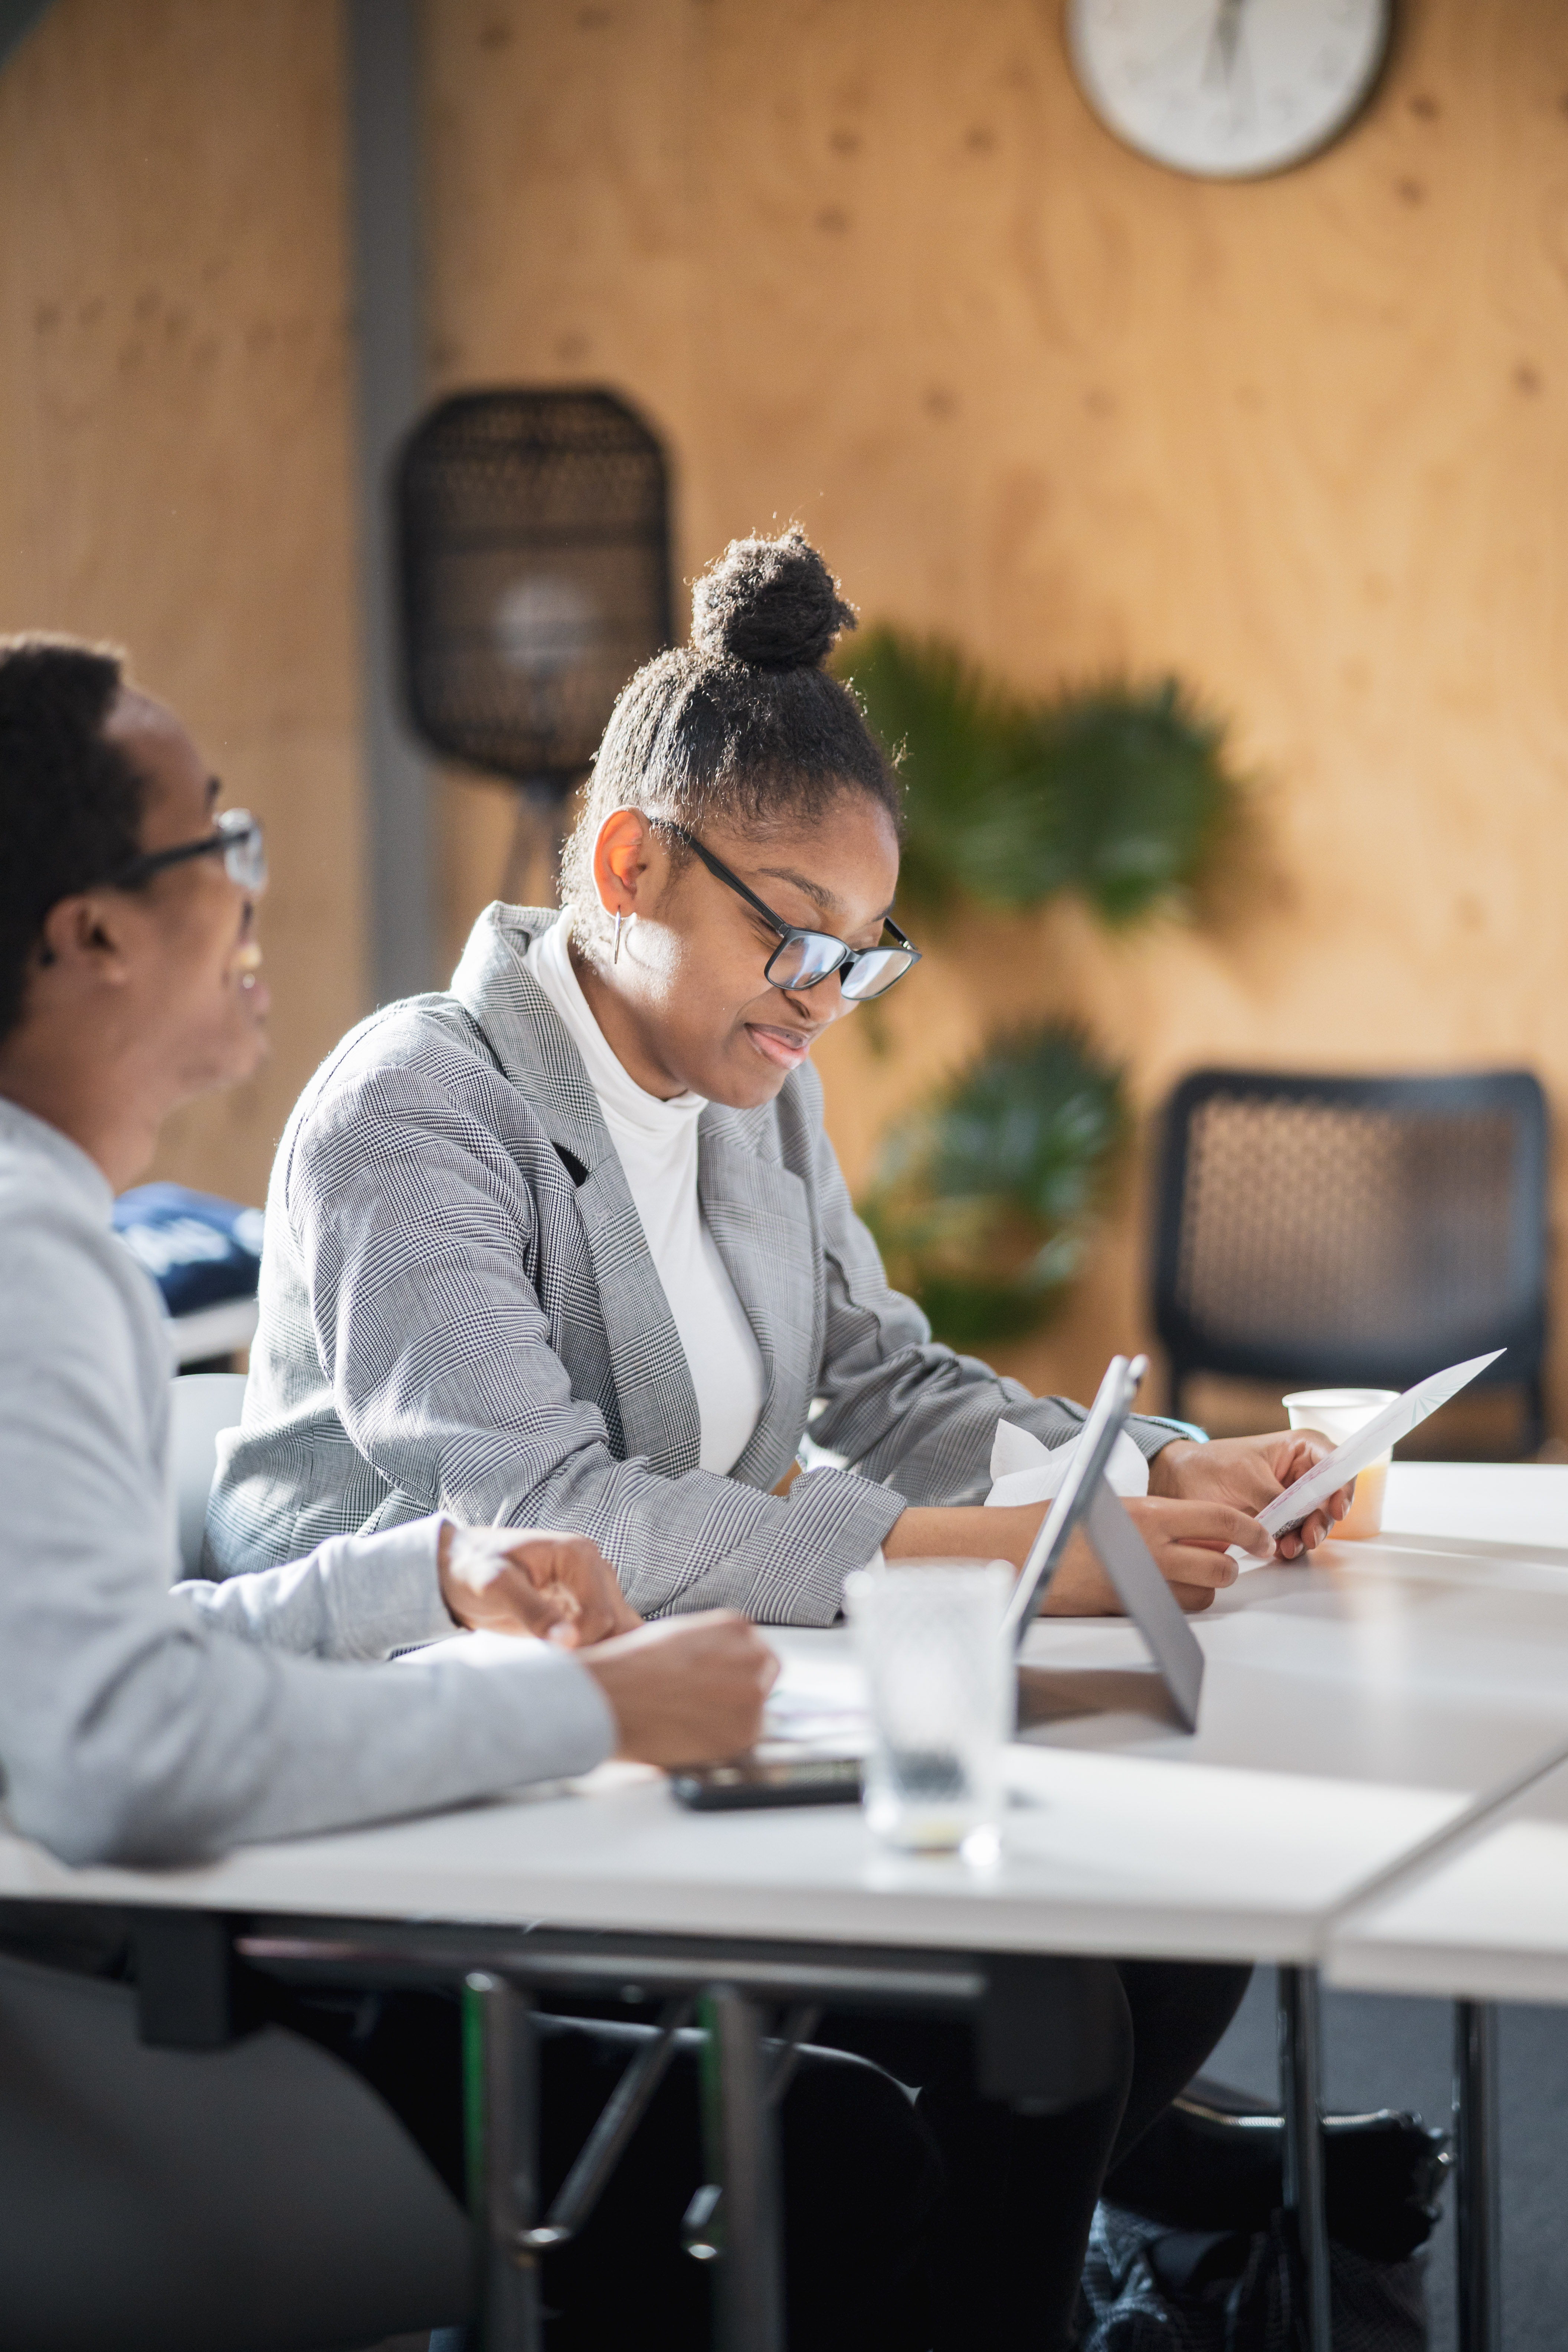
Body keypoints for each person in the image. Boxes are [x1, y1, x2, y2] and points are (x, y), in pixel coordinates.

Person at [203, 526, 1349, 2349]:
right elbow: (546, 1512)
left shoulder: (747, 1082)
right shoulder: (413, 1112)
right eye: (786, 931)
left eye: (857, 954)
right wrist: (980, 1559)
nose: (820, 991)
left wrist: (1136, 1476)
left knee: (1162, 1937)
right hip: (422, 1793)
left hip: (686, 1736)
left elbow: (881, 1374)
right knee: (1031, 2025)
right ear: (624, 859)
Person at [0, 633, 942, 2351]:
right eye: (219, 843)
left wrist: (422, 1574)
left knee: (921, 2065)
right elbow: (113, 1754)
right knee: (856, 2141)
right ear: (95, 933)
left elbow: (85, 1669)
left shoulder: (49, 1230)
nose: (252, 884)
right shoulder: (29, 1258)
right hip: (112, 2037)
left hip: (139, 1953)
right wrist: (585, 1711)